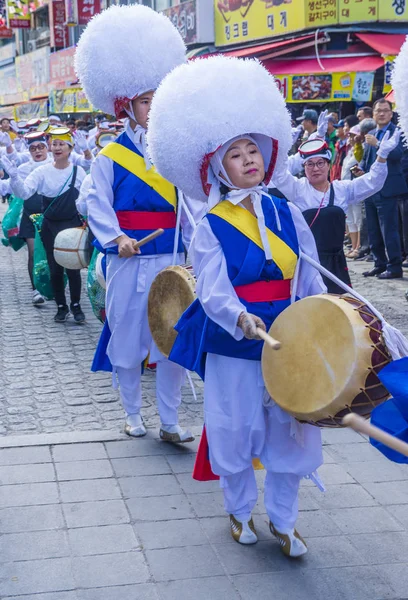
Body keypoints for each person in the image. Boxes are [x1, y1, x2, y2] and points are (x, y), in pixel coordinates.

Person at [148, 55, 327, 557]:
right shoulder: (210, 224)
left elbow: (310, 273)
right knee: (235, 423)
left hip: (289, 335)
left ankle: (286, 522)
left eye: (254, 149)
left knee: (292, 427)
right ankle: (239, 510)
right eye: (235, 154)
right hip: (237, 339)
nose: (249, 159)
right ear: (217, 167)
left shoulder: (287, 210)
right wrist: (238, 317)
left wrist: (319, 317)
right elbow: (211, 286)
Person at [75, 4, 196, 442]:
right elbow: (95, 202)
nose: (153, 107)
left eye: (156, 99)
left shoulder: (175, 152)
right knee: (127, 338)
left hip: (171, 258)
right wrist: (117, 238)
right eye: (146, 101)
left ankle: (169, 421)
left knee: (171, 341)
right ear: (129, 107)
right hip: (129, 257)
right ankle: (132, 414)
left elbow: (194, 204)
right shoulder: (109, 157)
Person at [272, 131, 401, 293]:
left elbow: (373, 182)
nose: (315, 168)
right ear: (303, 167)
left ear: (329, 165)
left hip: (336, 262)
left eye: (320, 163)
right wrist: (282, 148)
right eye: (309, 164)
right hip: (308, 261)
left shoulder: (342, 189)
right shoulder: (298, 188)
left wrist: (382, 156)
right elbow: (278, 174)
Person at [2, 128, 87, 323]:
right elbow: (24, 193)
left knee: (73, 268)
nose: (57, 148)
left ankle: (76, 305)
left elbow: (87, 198)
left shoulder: (78, 171)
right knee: (54, 267)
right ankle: (61, 306)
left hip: (72, 225)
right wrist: (15, 178)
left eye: (61, 144)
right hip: (50, 226)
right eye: (54, 144)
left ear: (70, 148)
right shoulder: (41, 171)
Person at [360, 98, 407, 279]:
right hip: (371, 187)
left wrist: (379, 145)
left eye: (385, 110)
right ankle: (379, 263)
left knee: (389, 229)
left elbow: (397, 155)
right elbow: (367, 159)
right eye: (378, 110)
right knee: (373, 229)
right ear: (373, 114)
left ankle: (394, 266)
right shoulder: (372, 133)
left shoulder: (398, 132)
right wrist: (360, 169)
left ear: (391, 113)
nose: (381, 114)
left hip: (388, 188)